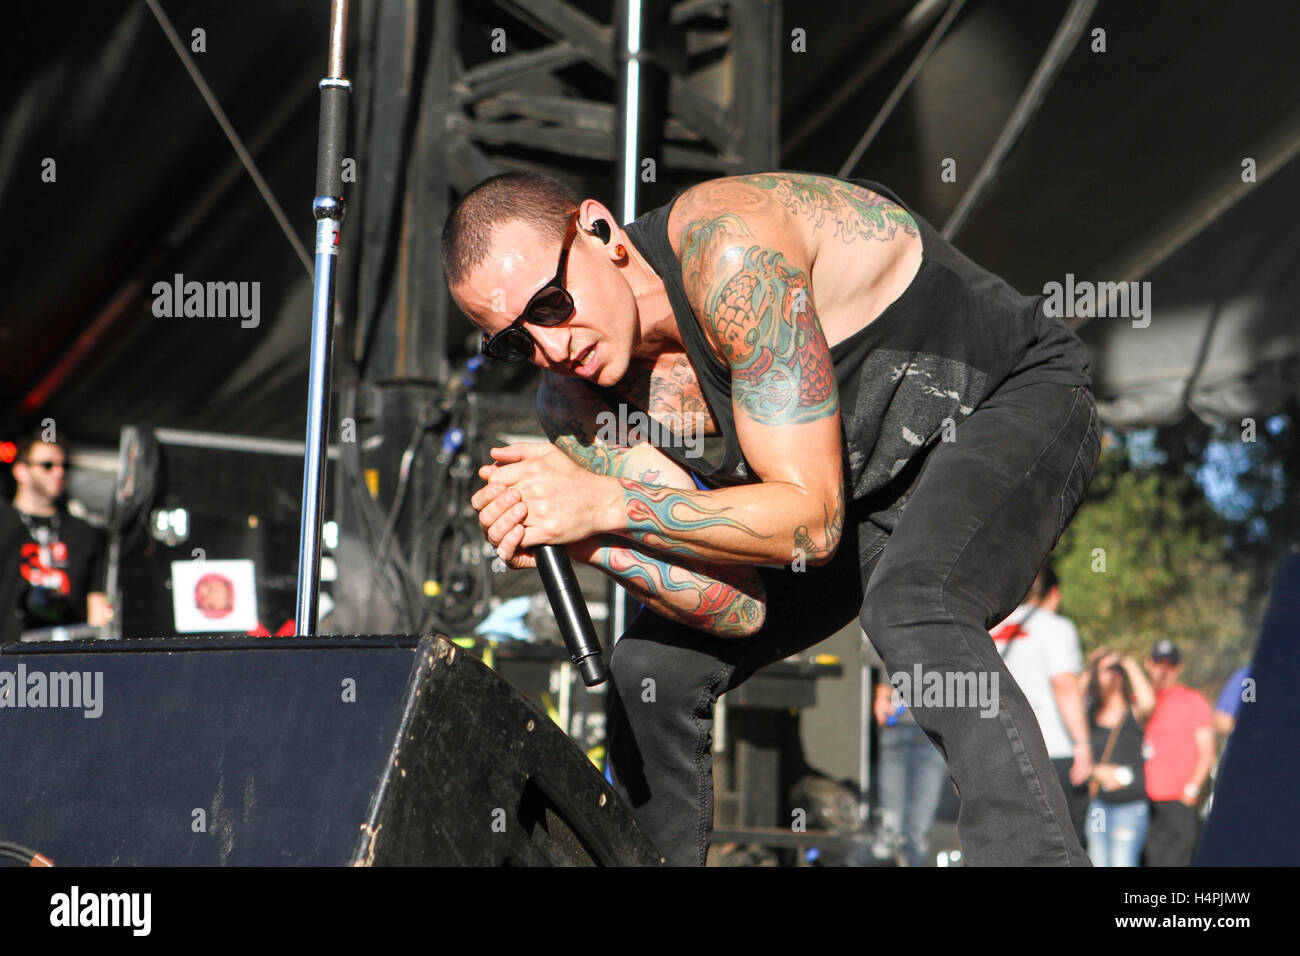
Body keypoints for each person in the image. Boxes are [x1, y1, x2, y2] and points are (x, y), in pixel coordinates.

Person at [451, 169, 1100, 866]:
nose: (551, 348)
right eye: (515, 342)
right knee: (653, 667)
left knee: (916, 605)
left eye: (550, 304)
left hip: (1002, 401)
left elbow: (810, 526)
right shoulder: (574, 406)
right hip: (854, 496)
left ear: (599, 230)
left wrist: (609, 504)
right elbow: (736, 608)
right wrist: (587, 539)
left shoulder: (728, 247)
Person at [989, 563, 1092, 848]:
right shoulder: (1056, 627)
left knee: (1010, 846)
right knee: (1059, 847)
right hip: (1051, 751)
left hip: (999, 752)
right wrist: (1082, 743)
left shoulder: (992, 629)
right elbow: (1064, 686)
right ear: (1055, 594)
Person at [0, 432, 109, 643]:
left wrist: (99, 650)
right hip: (6, 656)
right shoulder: (4, 524)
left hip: (66, 658)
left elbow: (97, 603)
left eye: (64, 466)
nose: (58, 472)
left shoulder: (84, 532)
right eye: (48, 465)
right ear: (21, 471)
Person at [865, 632, 949, 867]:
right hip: (897, 726)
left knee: (918, 827)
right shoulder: (893, 609)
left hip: (931, 731)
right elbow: (879, 656)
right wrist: (881, 696)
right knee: (890, 823)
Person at [1141, 639, 1215, 867]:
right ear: (1148, 664)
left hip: (1178, 802)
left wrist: (1191, 790)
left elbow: (1207, 752)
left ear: (1178, 668)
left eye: (1170, 664)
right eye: (1158, 663)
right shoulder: (1140, 703)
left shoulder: (1194, 701)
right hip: (1140, 804)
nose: (1164, 670)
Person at [1080, 648, 1155, 866]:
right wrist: (1091, 666)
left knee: (1123, 862)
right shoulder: (1088, 713)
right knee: (1097, 862)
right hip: (1098, 805)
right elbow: (1071, 696)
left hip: (1130, 805)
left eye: (1117, 670)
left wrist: (1127, 662)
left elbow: (1149, 702)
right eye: (1106, 670)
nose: (1113, 674)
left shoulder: (1134, 711)